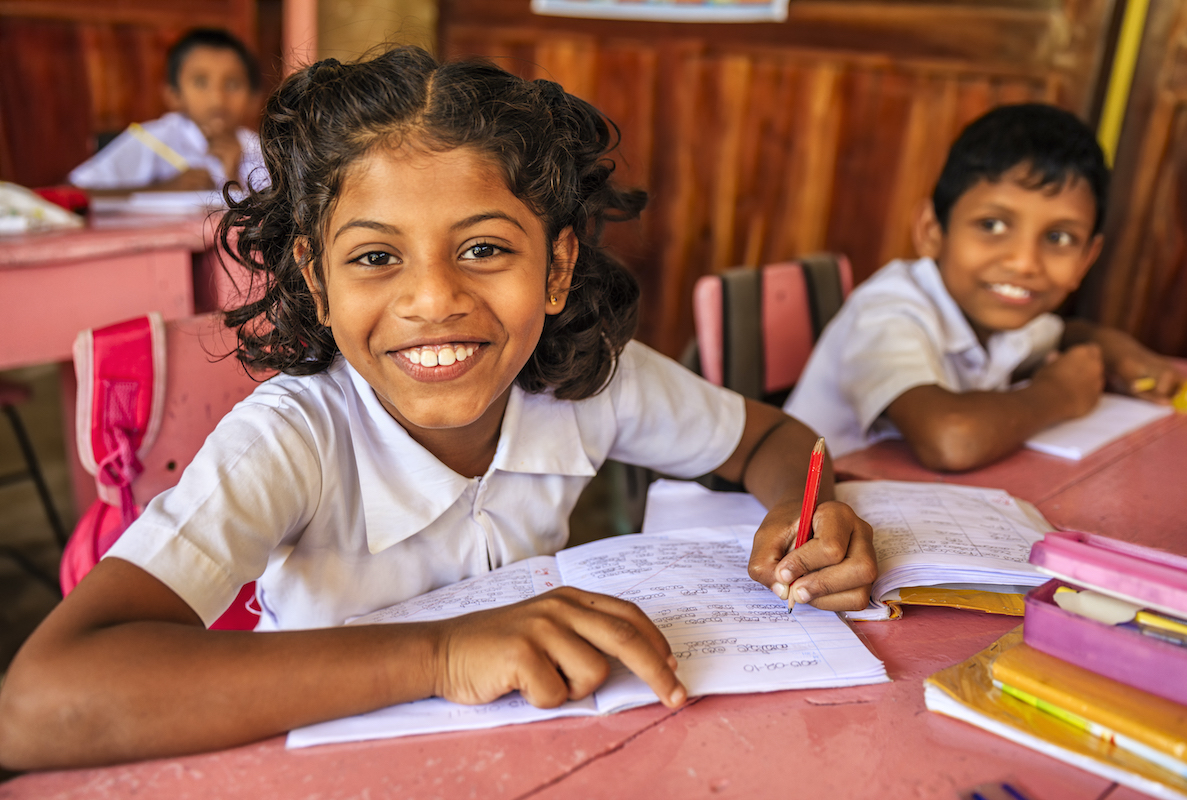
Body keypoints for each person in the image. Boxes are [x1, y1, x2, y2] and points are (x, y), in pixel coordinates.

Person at [0, 47, 876, 770]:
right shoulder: (295, 439)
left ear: (558, 267)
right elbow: (38, 704)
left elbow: (770, 438)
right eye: (376, 258)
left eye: (485, 248)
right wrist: (445, 652)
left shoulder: (586, 381)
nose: (432, 300)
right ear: (314, 273)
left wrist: (807, 514)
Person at [783, 103, 1182, 471]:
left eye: (1059, 238)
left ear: (1086, 259)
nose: (1024, 263)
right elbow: (951, 438)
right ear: (932, 231)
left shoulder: (1012, 316)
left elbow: (1062, 333)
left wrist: (1112, 347)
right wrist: (1058, 394)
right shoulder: (890, 310)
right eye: (992, 225)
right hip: (800, 525)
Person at [68, 28, 265, 192]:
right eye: (200, 82)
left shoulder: (259, 150)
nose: (217, 98)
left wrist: (234, 179)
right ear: (174, 95)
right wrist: (164, 188)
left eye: (232, 84)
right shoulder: (152, 139)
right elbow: (74, 191)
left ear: (253, 99)